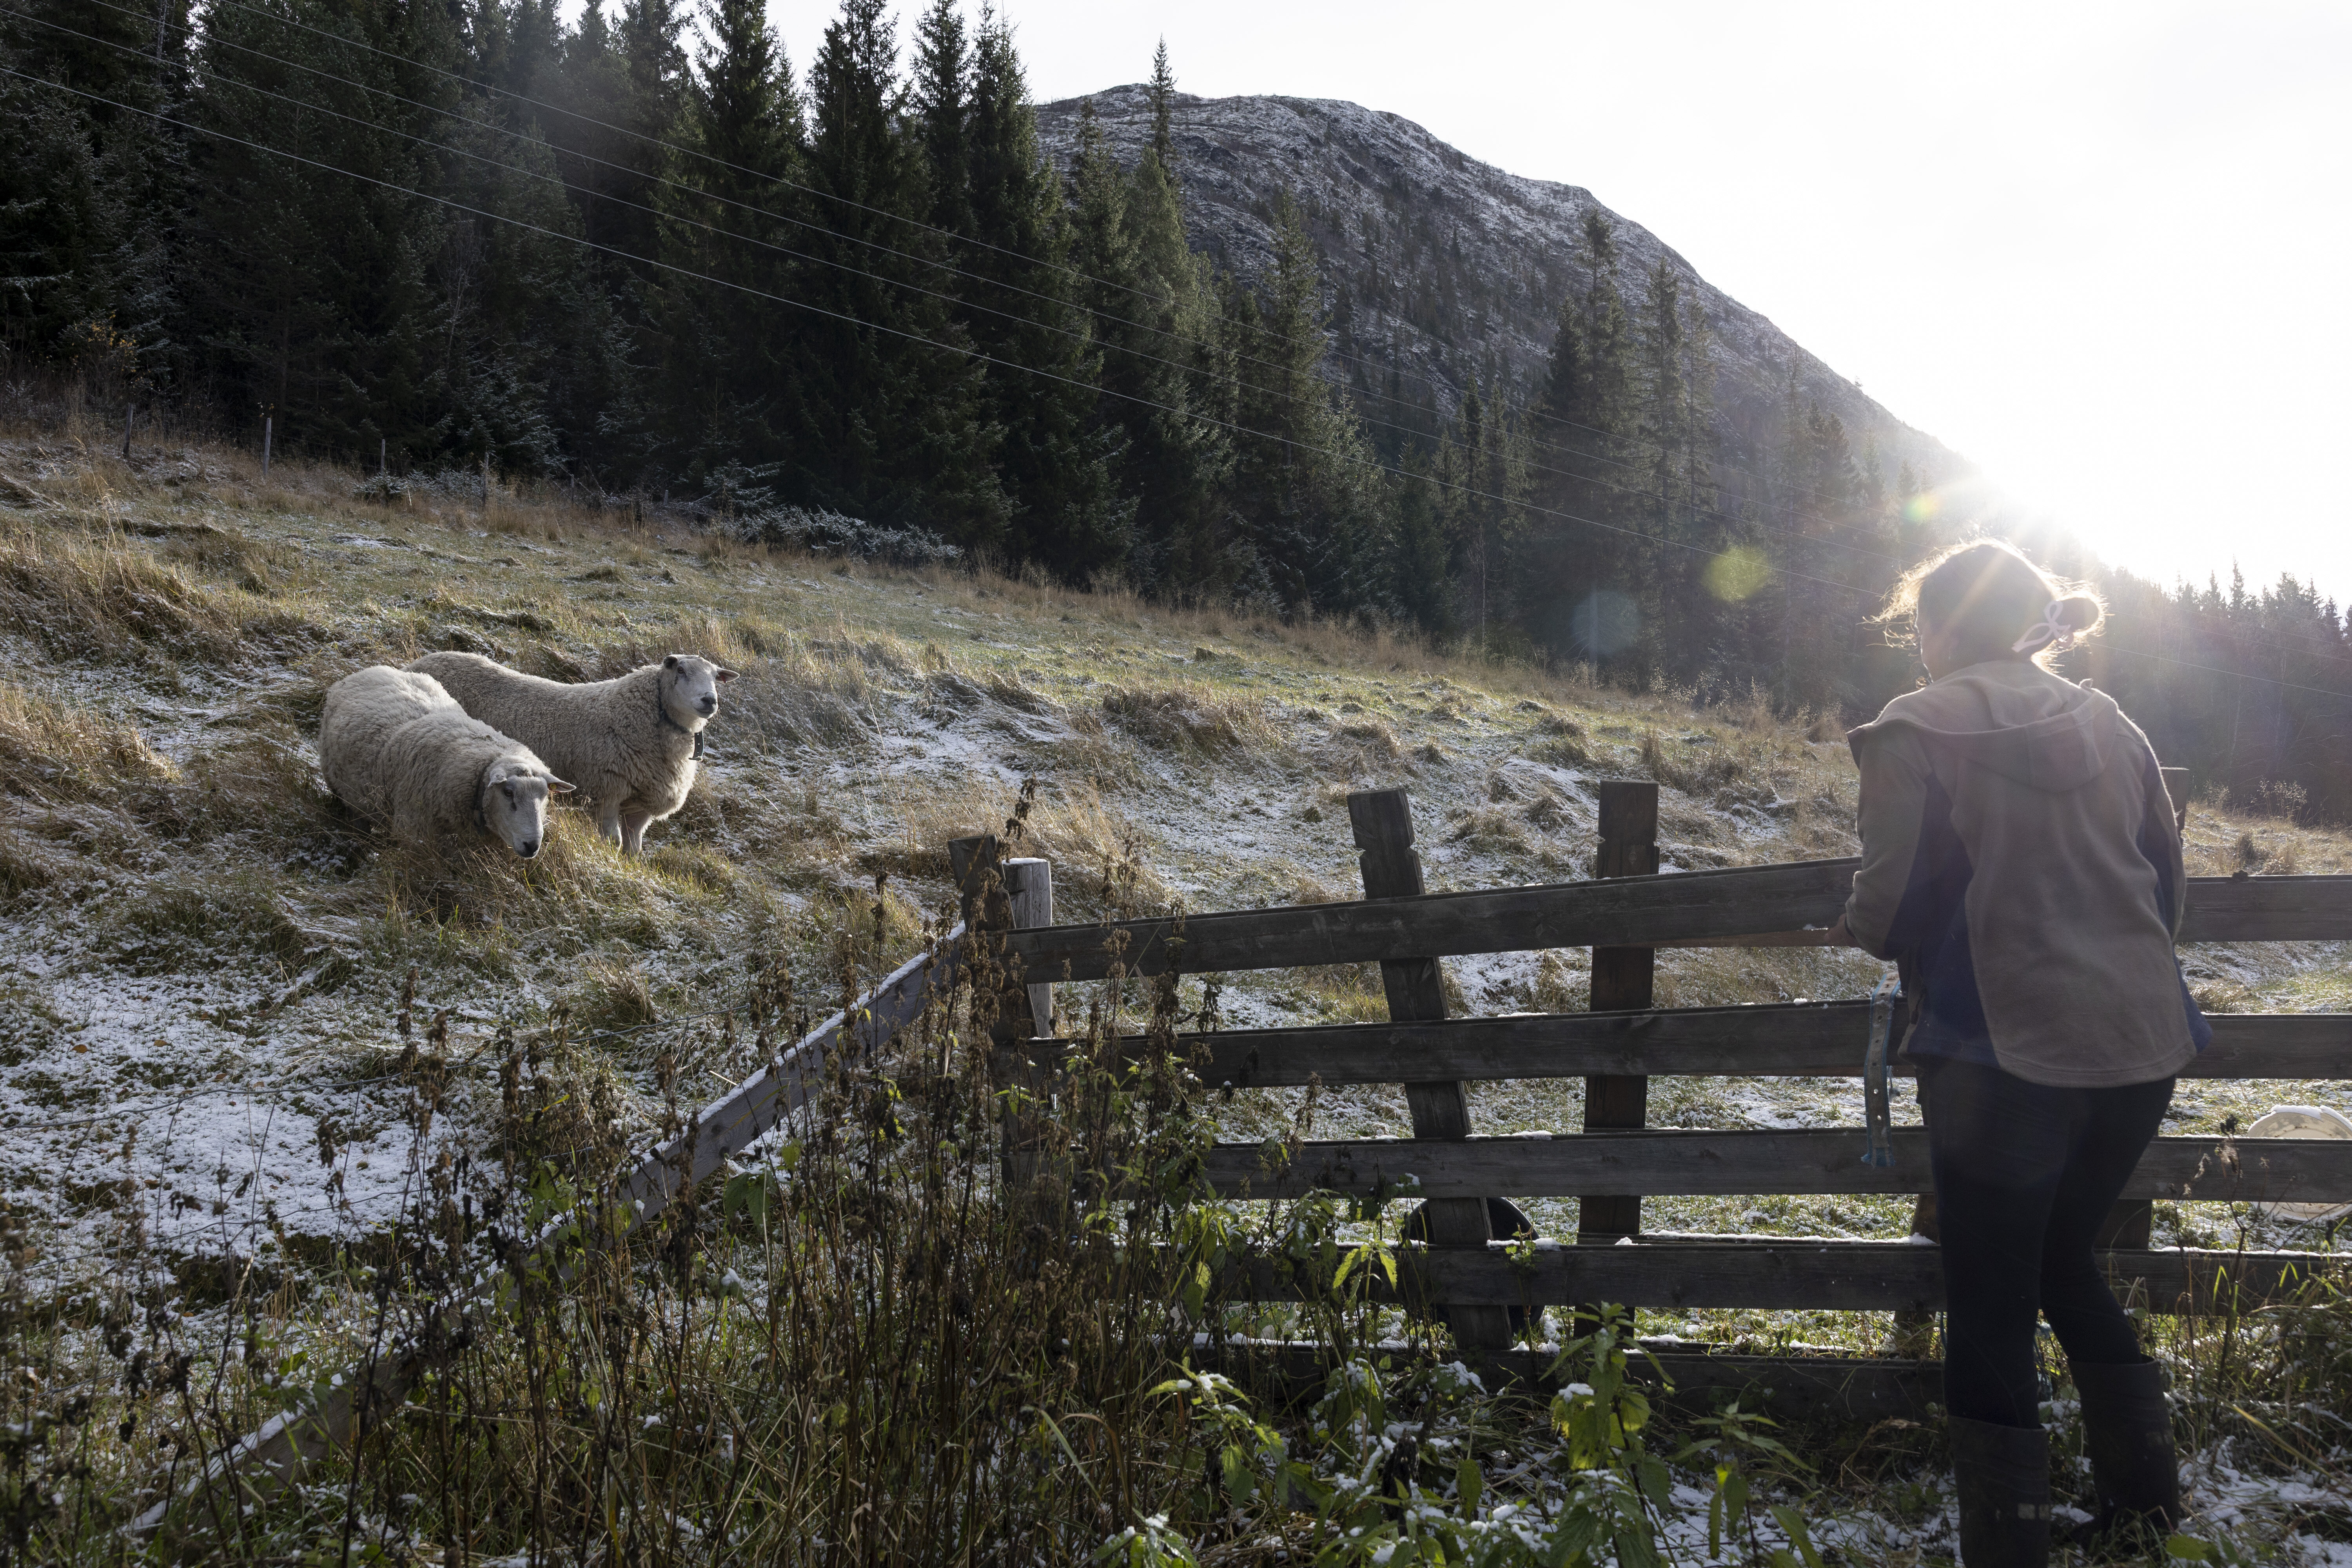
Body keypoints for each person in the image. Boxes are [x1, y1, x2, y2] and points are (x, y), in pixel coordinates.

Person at [1827, 539, 2207, 1567]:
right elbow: (2168, 888)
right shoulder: (2108, 720)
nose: (1915, 648)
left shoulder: (1911, 731)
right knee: (2062, 1261)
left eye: (1918, 628)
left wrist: (1852, 924)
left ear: (1943, 630)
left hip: (2004, 1051)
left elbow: (1892, 902)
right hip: (2140, 1042)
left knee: (1989, 1300)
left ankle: (2006, 1549)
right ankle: (2144, 1509)